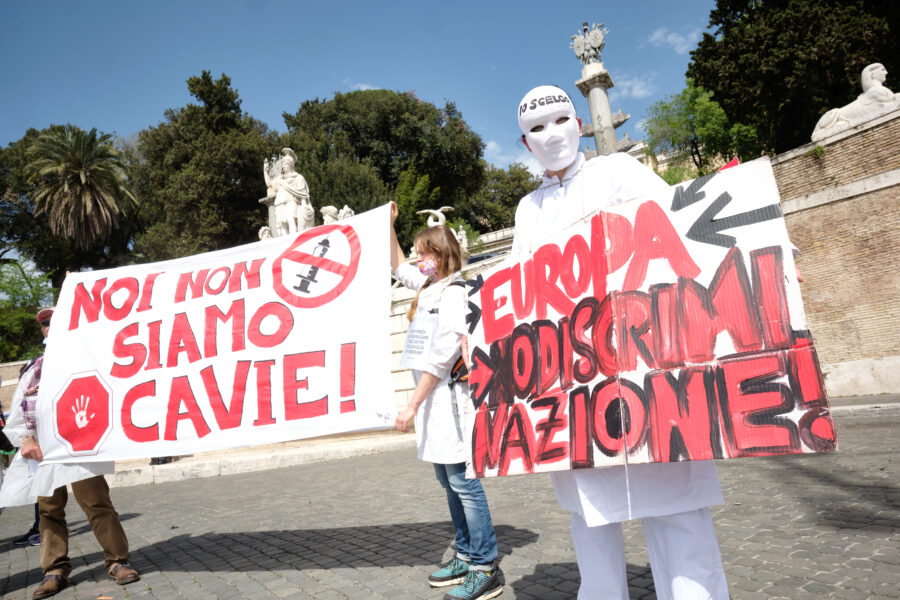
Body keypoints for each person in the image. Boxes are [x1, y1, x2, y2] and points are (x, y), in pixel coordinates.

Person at [511, 85, 729, 600]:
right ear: (525, 145)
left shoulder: (621, 173)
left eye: (561, 120)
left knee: (677, 511)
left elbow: (684, 226)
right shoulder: (527, 210)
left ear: (581, 125)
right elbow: (517, 292)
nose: (551, 135)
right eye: (536, 129)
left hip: (645, 367)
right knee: (590, 519)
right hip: (573, 383)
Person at [390, 203, 503, 600]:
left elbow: (441, 360)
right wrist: (387, 225)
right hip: (434, 403)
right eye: (418, 253)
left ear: (440, 255)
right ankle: (467, 552)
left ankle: (486, 565)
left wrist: (412, 406)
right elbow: (399, 267)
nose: (419, 259)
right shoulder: (429, 287)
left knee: (464, 482)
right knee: (447, 480)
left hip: (450, 401)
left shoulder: (453, 292)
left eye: (425, 253)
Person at [2, 307, 140, 599]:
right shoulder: (33, 370)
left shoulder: (87, 359)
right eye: (46, 323)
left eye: (56, 321)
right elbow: (16, 414)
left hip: (79, 444)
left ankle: (118, 561)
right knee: (49, 512)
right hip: (44, 451)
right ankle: (54, 570)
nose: (50, 327)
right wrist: (25, 440)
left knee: (97, 504)